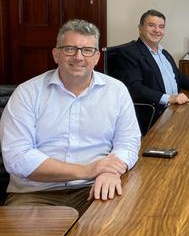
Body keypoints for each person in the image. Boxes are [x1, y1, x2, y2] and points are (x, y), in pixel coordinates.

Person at [0, 20, 141, 214]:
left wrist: (111, 170)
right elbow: (17, 157)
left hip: (96, 187)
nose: (78, 57)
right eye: (69, 49)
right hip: (36, 193)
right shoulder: (27, 93)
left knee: (118, 234)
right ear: (56, 54)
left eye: (87, 50)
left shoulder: (116, 91)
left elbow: (128, 142)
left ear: (97, 57)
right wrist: (87, 170)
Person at [116, 9, 189, 131]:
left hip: (175, 110)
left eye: (161, 26)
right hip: (155, 116)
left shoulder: (163, 52)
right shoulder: (129, 53)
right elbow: (135, 89)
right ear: (140, 28)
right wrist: (169, 98)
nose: (157, 30)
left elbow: (177, 77)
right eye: (151, 25)